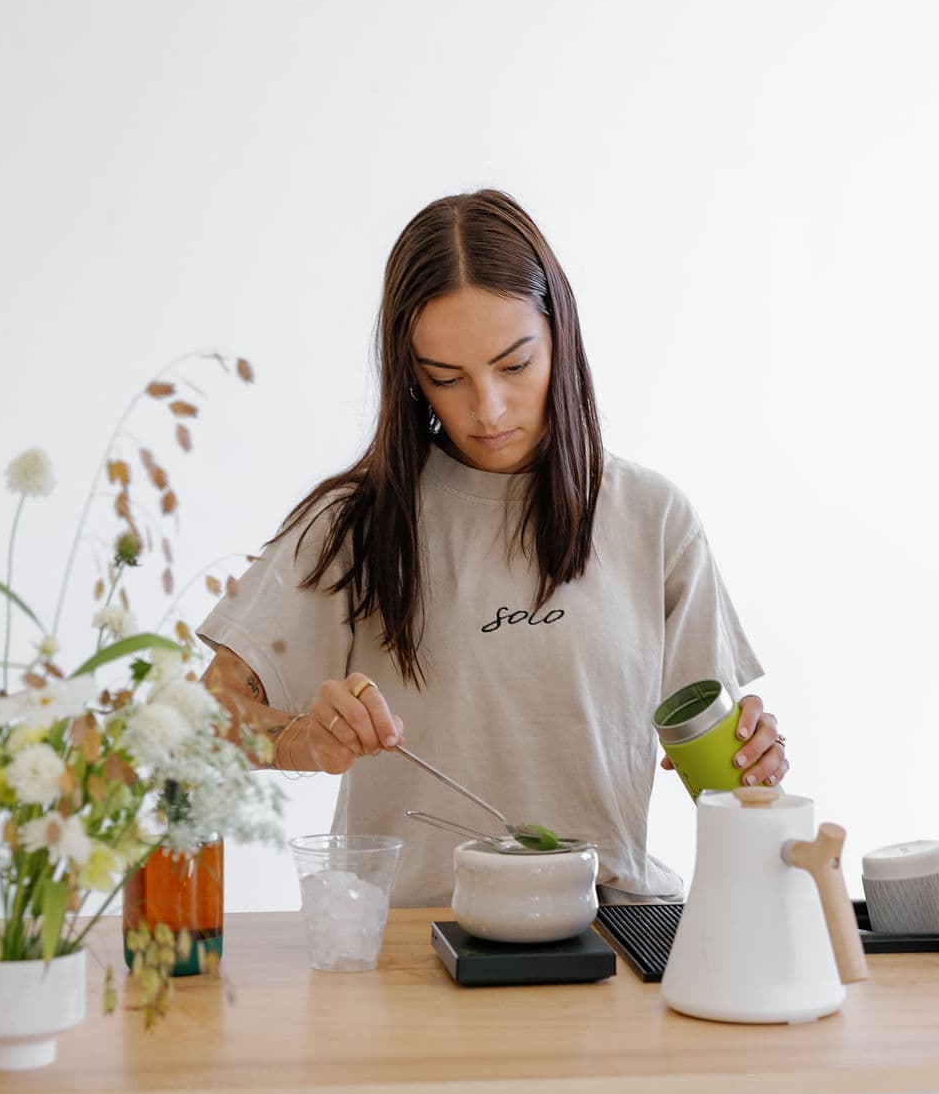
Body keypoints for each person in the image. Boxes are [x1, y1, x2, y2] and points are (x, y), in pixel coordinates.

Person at [196, 189, 784, 908]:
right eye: (446, 378)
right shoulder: (355, 522)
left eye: (514, 364)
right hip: (415, 952)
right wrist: (301, 741)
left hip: (616, 934)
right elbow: (200, 724)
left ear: (560, 335)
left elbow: (726, 776)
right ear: (409, 375)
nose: (489, 409)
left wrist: (755, 764)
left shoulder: (653, 517)